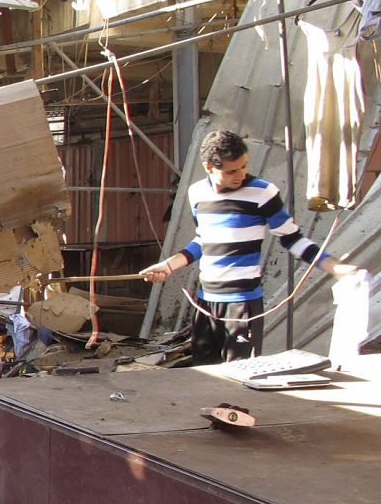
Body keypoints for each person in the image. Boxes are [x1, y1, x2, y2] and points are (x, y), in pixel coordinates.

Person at [140, 130, 361, 364]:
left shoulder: (263, 193)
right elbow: (204, 240)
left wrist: (333, 266)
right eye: (231, 171)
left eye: (244, 167)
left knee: (239, 377)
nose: (240, 175)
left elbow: (292, 238)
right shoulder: (197, 193)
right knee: (202, 376)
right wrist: (168, 266)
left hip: (242, 304)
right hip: (206, 303)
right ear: (208, 168)